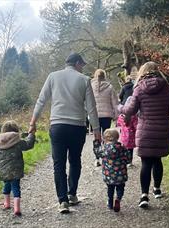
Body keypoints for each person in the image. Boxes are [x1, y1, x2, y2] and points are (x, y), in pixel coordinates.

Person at [28, 53, 101, 213]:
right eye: (82, 64)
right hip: (77, 127)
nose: (82, 67)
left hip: (58, 126)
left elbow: (41, 100)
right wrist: (97, 131)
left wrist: (33, 122)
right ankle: (72, 193)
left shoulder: (53, 77)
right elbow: (91, 108)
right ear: (76, 63)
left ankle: (62, 201)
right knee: (75, 160)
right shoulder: (84, 80)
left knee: (58, 164)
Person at [121, 61, 169, 208]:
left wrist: (120, 108)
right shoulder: (168, 88)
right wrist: (165, 114)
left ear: (143, 72)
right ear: (157, 71)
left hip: (145, 129)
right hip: (162, 128)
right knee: (157, 160)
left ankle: (144, 196)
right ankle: (157, 189)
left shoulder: (139, 88)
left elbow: (130, 110)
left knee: (146, 162)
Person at [0, 120, 36, 217]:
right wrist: (32, 134)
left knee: (6, 186)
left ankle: (7, 204)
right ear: (15, 130)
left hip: (4, 171)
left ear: (3, 131)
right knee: (16, 187)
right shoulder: (17, 142)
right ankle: (17, 208)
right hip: (16, 170)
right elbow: (29, 144)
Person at [93, 128, 131, 212]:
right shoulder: (122, 148)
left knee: (110, 189)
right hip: (121, 174)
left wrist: (96, 143)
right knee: (120, 188)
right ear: (117, 137)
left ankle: (110, 203)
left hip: (109, 175)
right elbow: (128, 159)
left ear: (105, 138)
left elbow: (97, 153)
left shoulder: (104, 149)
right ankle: (118, 199)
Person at [91, 69, 119, 166]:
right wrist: (116, 115)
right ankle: (107, 156)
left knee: (96, 136)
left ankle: (97, 158)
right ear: (105, 76)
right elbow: (115, 102)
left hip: (95, 115)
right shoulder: (110, 87)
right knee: (107, 136)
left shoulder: (91, 86)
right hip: (107, 115)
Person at [117, 97, 138, 167]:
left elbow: (118, 123)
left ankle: (124, 160)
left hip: (123, 136)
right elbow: (136, 126)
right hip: (131, 136)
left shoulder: (121, 116)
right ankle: (129, 162)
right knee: (130, 150)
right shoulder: (133, 116)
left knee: (124, 149)